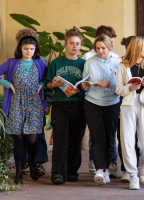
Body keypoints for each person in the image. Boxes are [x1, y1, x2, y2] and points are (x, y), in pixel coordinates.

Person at [116, 36, 144, 190]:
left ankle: (142, 163)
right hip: (129, 105)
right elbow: (118, 90)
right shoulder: (123, 66)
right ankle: (133, 175)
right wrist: (129, 88)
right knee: (127, 141)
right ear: (137, 48)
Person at [0, 35, 47, 184]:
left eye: (31, 49)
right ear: (20, 49)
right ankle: (19, 172)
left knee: (32, 139)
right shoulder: (11, 63)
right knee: (19, 138)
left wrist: (43, 84)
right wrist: (7, 84)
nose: (28, 51)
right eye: (26, 48)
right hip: (16, 103)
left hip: (34, 104)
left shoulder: (40, 63)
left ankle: (32, 163)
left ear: (35, 50)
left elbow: (48, 79)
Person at [43, 28, 86, 184]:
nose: (74, 46)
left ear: (80, 45)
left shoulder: (84, 63)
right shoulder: (56, 62)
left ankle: (72, 172)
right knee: (60, 139)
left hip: (79, 104)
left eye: (77, 44)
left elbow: (88, 86)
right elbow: (46, 83)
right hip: (60, 104)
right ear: (65, 45)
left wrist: (80, 90)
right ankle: (58, 174)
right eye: (71, 43)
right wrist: (52, 84)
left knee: (76, 139)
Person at [82, 34, 120, 185]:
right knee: (97, 137)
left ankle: (106, 169)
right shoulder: (89, 62)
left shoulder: (118, 62)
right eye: (97, 48)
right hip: (92, 102)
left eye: (103, 48)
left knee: (110, 137)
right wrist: (85, 86)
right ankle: (99, 169)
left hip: (112, 103)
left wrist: (109, 85)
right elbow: (85, 81)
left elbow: (121, 85)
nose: (100, 51)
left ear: (109, 47)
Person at [15, 28, 51, 177]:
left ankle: (38, 162)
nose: (27, 48)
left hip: (37, 102)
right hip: (20, 103)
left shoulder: (41, 61)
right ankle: (23, 163)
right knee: (21, 135)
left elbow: (46, 81)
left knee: (37, 134)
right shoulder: (16, 60)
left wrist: (47, 103)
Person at [117, 36, 139, 183]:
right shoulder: (121, 63)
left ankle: (140, 165)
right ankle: (127, 169)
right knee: (124, 138)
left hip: (142, 105)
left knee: (141, 141)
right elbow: (118, 88)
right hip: (124, 104)